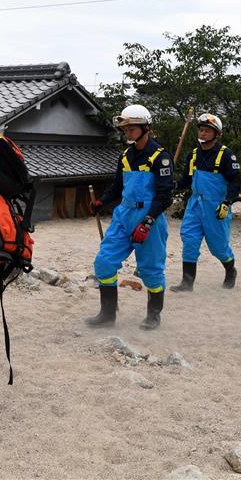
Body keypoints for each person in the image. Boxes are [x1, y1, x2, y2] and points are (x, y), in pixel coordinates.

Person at [87, 104, 174, 329]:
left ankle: (154, 315)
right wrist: (102, 201)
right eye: (125, 129)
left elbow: (165, 197)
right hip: (123, 215)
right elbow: (117, 186)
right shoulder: (125, 155)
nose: (127, 133)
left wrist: (148, 221)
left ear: (145, 127)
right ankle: (107, 315)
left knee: (151, 270)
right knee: (104, 262)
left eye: (131, 129)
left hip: (149, 218)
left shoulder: (160, 157)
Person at [171, 113, 241, 292]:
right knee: (189, 239)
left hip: (217, 206)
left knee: (218, 246)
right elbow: (187, 180)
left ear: (216, 134)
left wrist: (227, 202)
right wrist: (172, 185)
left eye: (207, 131)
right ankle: (187, 283)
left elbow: (236, 182)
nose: (202, 134)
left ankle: (230, 270)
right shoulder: (193, 155)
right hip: (195, 205)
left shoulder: (226, 155)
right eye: (201, 130)